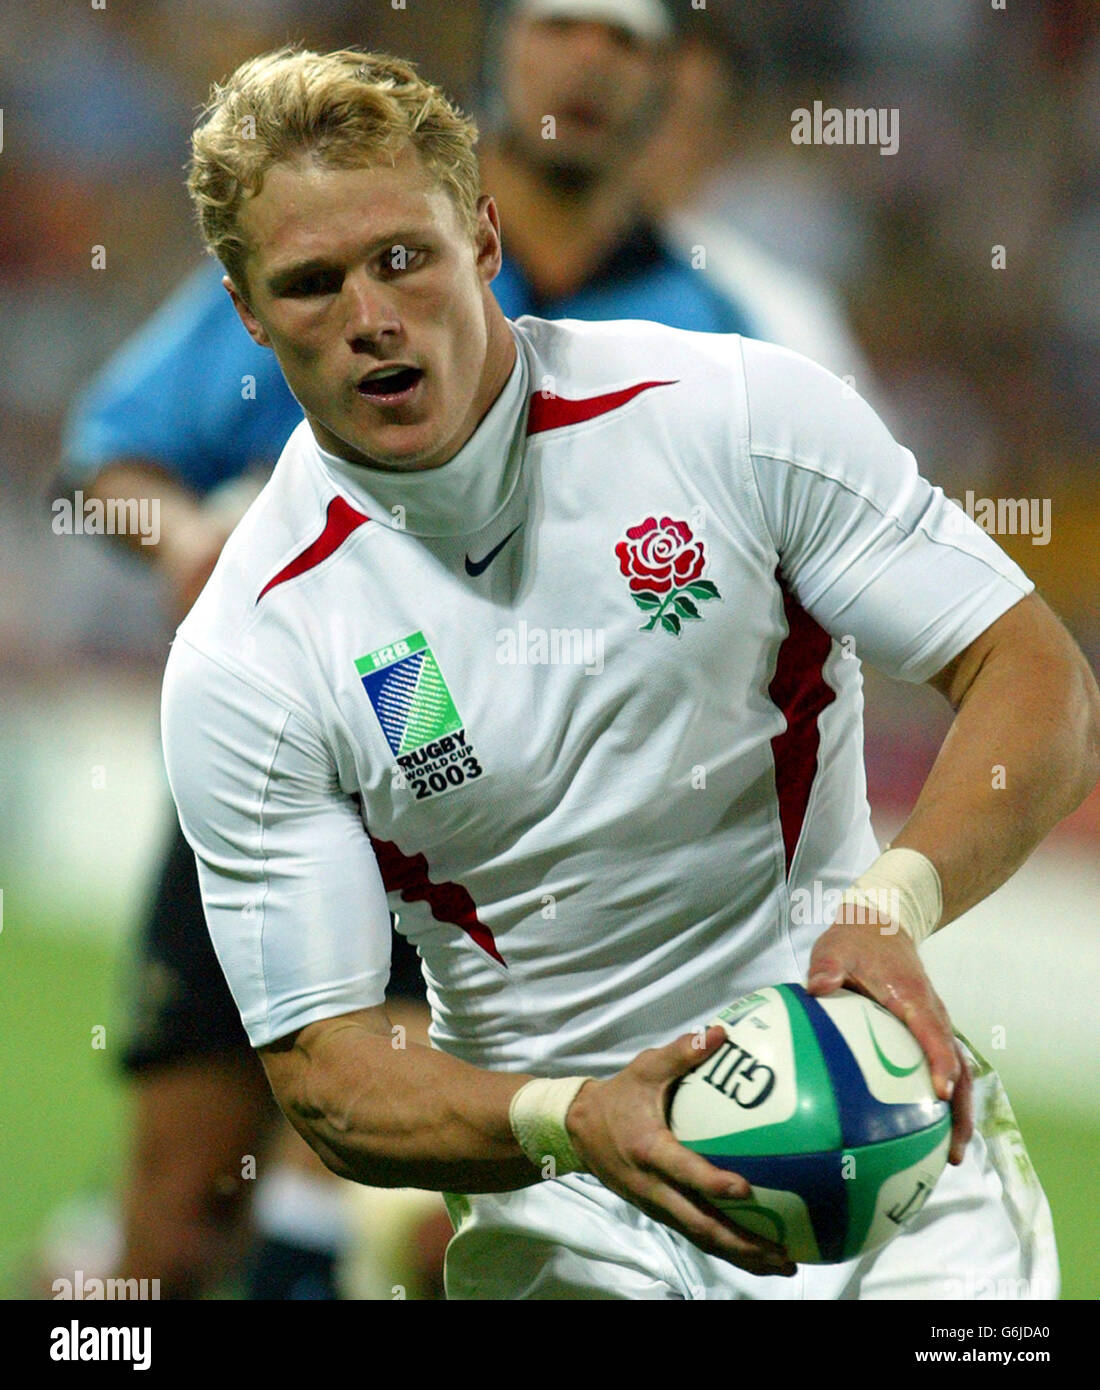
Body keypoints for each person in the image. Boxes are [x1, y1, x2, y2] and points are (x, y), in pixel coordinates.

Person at [159, 45, 1100, 1301]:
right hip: (570, 1205)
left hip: (873, 1120)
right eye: (310, 283)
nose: (370, 316)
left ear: (484, 240)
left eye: (403, 258)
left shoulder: (731, 415)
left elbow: (1031, 673)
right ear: (246, 308)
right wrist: (568, 1116)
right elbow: (327, 1073)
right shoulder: (252, 650)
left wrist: (891, 905)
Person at [59, 0, 865, 1299]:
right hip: (319, 761)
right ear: (504, 53)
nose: (590, 72)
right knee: (175, 1216)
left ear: (679, 105)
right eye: (561, 29)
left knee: (490, 1199)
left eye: (630, 50)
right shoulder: (345, 237)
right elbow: (115, 453)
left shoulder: (715, 332)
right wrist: (183, 552)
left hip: (540, 838)